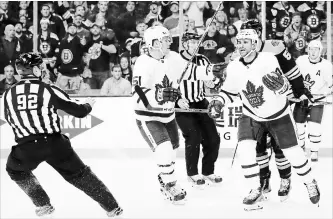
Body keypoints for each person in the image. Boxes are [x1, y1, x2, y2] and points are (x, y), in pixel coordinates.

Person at [207, 29, 320, 210]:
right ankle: (254, 188)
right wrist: (218, 102)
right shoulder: (234, 66)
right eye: (239, 41)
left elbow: (283, 87)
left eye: (245, 42)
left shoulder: (268, 60)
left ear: (254, 44)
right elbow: (228, 91)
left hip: (278, 114)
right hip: (250, 115)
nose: (241, 45)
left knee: (293, 153)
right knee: (245, 149)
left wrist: (284, 87)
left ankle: (309, 181)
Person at [1, 52, 123, 218]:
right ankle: (112, 207)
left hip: (26, 147)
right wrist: (88, 105)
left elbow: (10, 119)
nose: (43, 70)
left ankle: (42, 203)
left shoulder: (7, 94)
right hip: (55, 144)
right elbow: (78, 112)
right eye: (41, 67)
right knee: (81, 175)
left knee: (15, 170)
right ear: (36, 70)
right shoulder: (48, 89)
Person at [132, 26, 224, 204]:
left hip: (168, 116)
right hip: (148, 117)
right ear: (155, 43)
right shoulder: (143, 62)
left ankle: (165, 176)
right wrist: (158, 95)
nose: (170, 43)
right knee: (165, 150)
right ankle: (170, 184)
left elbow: (191, 71)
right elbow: (137, 93)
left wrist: (210, 71)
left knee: (173, 150)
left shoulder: (172, 58)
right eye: (166, 40)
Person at [237, 19, 313, 202]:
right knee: (259, 148)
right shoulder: (242, 50)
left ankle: (285, 179)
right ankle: (263, 181)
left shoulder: (275, 46)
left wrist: (301, 91)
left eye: (251, 33)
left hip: (277, 106)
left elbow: (292, 71)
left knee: (282, 148)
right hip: (255, 110)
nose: (246, 39)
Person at [176, 32, 222, 188]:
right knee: (193, 137)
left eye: (197, 42)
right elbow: (168, 82)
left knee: (213, 138)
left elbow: (210, 81)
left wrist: (216, 81)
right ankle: (192, 173)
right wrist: (177, 99)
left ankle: (208, 171)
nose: (196, 45)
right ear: (184, 44)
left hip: (201, 102)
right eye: (192, 42)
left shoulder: (203, 59)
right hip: (183, 104)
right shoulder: (176, 60)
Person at [295, 40, 333, 162]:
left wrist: (325, 93)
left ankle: (314, 151)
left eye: (316, 49)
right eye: (311, 49)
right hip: (302, 98)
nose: (313, 52)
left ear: (320, 51)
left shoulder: (326, 65)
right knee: (299, 126)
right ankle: (300, 149)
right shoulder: (300, 61)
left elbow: (331, 85)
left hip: (317, 100)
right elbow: (294, 78)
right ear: (308, 50)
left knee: (314, 126)